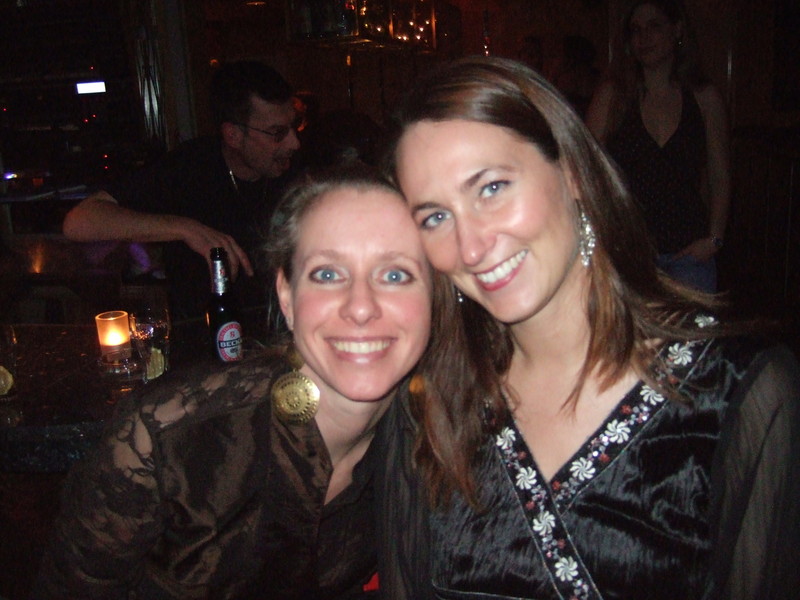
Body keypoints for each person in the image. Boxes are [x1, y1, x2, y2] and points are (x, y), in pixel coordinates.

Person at [377, 56, 800, 599]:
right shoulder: (430, 406)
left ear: (572, 172)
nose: (472, 246)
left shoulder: (737, 396)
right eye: (435, 217)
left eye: (492, 188)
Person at [33, 164, 433, 599]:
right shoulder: (169, 436)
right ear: (287, 297)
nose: (361, 307)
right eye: (327, 274)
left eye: (395, 275)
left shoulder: (441, 440)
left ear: (435, 297)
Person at [62, 60, 302, 318]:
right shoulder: (190, 166)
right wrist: (186, 229)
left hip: (287, 327)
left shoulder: (301, 169)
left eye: (295, 125)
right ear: (233, 135)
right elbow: (79, 222)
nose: (294, 143)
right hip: (202, 331)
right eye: (277, 133)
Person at [585, 0, 730, 293]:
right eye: (635, 30)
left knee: (694, 325)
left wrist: (714, 239)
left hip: (690, 254)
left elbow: (720, 175)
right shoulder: (612, 98)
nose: (643, 37)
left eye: (653, 26)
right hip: (629, 254)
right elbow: (584, 169)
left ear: (676, 29)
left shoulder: (704, 98)